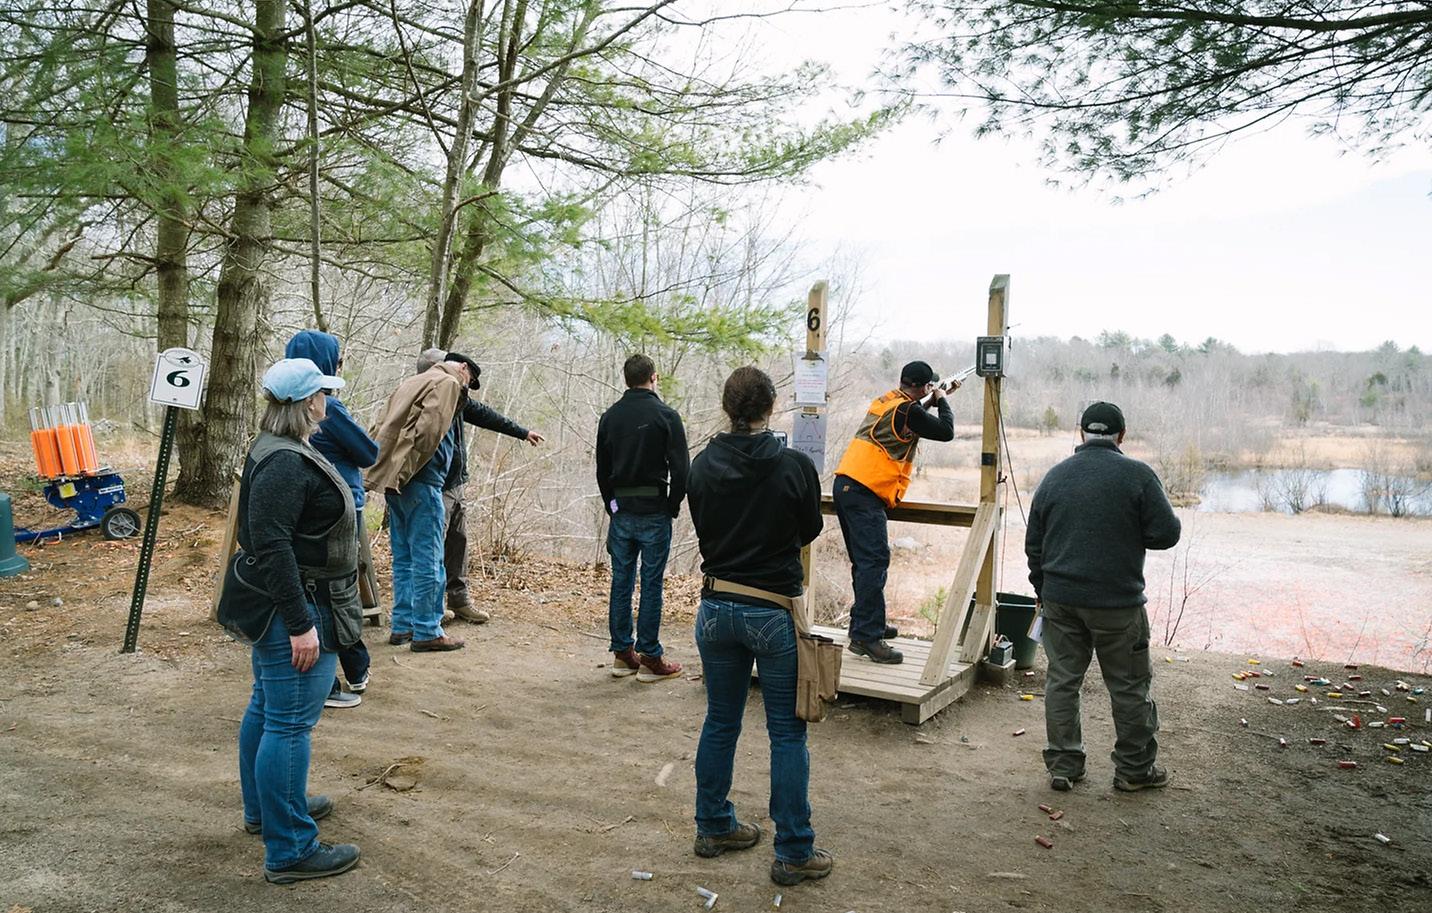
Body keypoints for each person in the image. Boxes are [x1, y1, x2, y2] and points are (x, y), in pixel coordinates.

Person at [218, 357, 363, 883]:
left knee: (268, 708)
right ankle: (291, 850)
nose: (329, 400)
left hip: (293, 602)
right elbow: (273, 547)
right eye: (324, 393)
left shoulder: (278, 446)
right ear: (308, 402)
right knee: (290, 723)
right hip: (300, 606)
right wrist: (302, 625)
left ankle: (269, 809)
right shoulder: (285, 462)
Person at [686, 366, 830, 887]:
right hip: (772, 609)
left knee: (720, 722)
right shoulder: (794, 466)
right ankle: (793, 852)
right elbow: (809, 529)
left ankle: (713, 826)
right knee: (786, 734)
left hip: (715, 606)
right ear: (771, 407)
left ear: (728, 408)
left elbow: (702, 523)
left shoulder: (701, 464)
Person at [1025, 401, 1182, 793]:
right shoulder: (1138, 476)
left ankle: (1064, 766)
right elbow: (1166, 533)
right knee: (1129, 687)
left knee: (1062, 682)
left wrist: (1042, 590)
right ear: (1121, 435)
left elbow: (1034, 545)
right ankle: (1134, 770)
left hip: (1061, 600)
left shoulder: (1055, 477)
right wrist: (1129, 531)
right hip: (1118, 604)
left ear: (1081, 433)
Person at [831, 360, 958, 664]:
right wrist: (942, 400)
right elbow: (946, 431)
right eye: (930, 386)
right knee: (874, 562)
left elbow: (910, 418)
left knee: (865, 563)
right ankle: (867, 636)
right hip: (864, 492)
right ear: (923, 387)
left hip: (848, 486)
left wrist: (934, 397)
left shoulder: (887, 401)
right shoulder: (910, 409)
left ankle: (866, 623)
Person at [415, 347, 545, 624]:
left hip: (455, 482)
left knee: (458, 542)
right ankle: (432, 609)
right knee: (433, 547)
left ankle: (459, 600)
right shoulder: (423, 396)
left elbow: (485, 415)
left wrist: (522, 432)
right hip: (433, 484)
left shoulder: (456, 396)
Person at [286, 330, 379, 710]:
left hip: (304, 507)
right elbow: (368, 452)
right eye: (337, 360)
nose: (340, 366)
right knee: (337, 591)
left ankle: (341, 672)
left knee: (318, 588)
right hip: (338, 506)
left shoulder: (285, 404)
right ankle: (348, 671)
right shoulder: (329, 408)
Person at [365, 353, 471, 652]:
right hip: (422, 481)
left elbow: (381, 425)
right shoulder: (447, 382)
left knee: (404, 558)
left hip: (394, 481)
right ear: (463, 369)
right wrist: (413, 468)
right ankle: (427, 629)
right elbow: (429, 432)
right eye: (470, 380)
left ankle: (403, 626)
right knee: (429, 558)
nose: (467, 386)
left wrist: (393, 471)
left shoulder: (412, 382)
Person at [595, 354, 689, 682]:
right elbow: (682, 470)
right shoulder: (666, 416)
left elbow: (602, 470)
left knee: (621, 581)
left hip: (622, 510)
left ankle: (623, 655)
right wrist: (672, 505)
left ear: (626, 379)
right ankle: (650, 657)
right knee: (651, 584)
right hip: (654, 510)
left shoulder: (610, 417)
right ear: (654, 377)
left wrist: (612, 506)